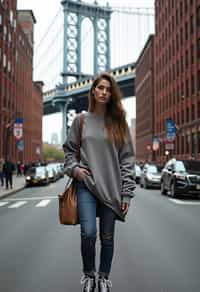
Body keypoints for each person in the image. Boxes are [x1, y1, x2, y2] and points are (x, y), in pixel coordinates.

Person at [63, 72, 136, 292]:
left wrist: (127, 193)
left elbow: (127, 160)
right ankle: (88, 275)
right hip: (86, 185)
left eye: (108, 89)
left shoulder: (118, 122)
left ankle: (103, 277)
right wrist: (75, 170)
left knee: (107, 237)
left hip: (112, 188)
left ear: (111, 93)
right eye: (100, 88)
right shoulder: (81, 120)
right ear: (93, 91)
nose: (104, 92)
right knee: (88, 233)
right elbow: (68, 152)